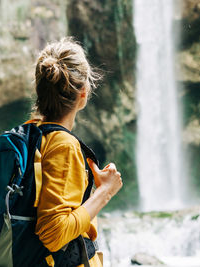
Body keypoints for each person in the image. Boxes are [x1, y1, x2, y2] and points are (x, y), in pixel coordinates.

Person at [30, 37, 123, 266]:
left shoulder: (33, 134)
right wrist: (106, 192)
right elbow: (53, 233)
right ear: (83, 93)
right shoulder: (63, 145)